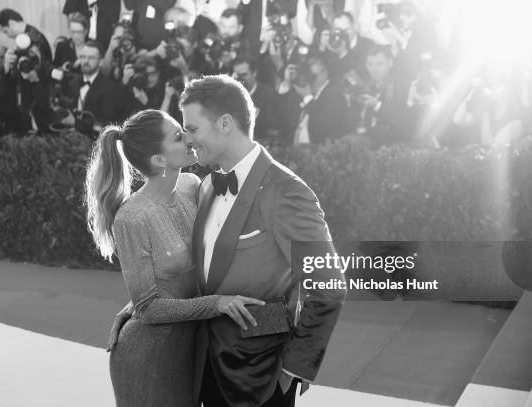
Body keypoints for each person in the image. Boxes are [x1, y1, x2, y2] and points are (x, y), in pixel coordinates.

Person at [110, 75, 347, 406]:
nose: (189, 141)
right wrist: (139, 304)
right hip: (201, 368)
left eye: (192, 129)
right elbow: (197, 272)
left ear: (224, 124)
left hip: (261, 377)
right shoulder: (203, 187)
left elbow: (328, 283)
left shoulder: (286, 191)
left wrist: (295, 369)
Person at [86, 109, 265, 406]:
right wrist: (216, 304)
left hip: (193, 346)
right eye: (179, 137)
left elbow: (203, 263)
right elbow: (148, 310)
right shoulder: (131, 218)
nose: (190, 139)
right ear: (159, 160)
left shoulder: (190, 186)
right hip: (149, 355)